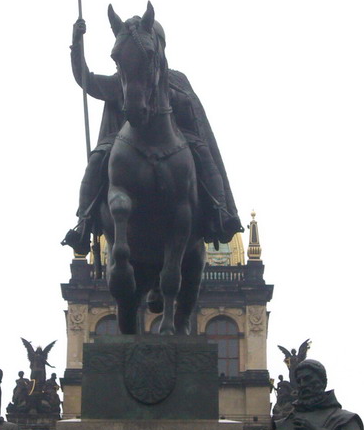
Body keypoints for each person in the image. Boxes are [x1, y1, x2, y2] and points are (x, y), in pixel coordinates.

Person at [61, 16, 243, 254]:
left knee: (203, 153)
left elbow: (191, 112)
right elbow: (86, 80)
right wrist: (77, 44)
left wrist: (173, 99)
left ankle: (221, 211)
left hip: (178, 139)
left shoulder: (177, 80)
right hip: (121, 141)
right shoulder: (122, 80)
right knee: (96, 160)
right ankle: (84, 223)